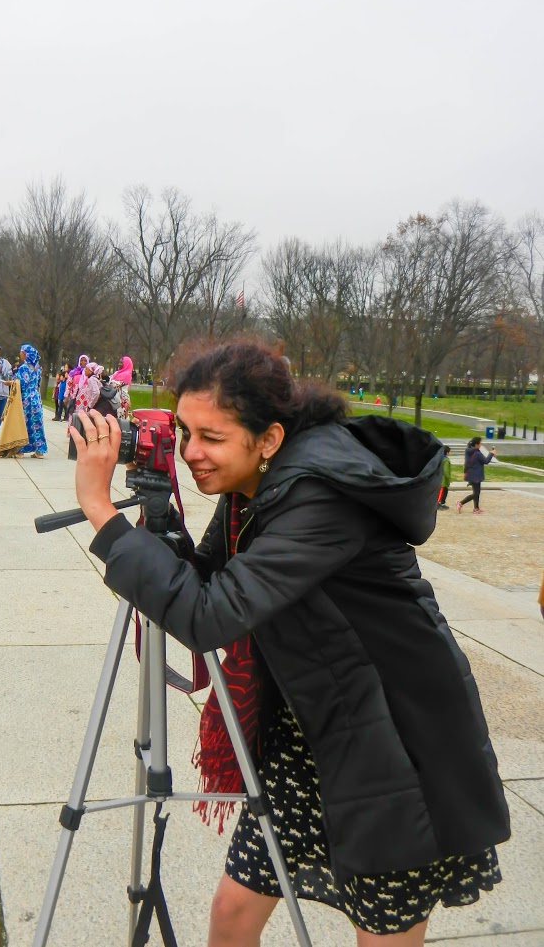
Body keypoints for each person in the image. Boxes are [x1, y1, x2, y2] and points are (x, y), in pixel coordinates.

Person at [71, 340, 510, 947]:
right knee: (232, 914)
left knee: (381, 935)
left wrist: (100, 509)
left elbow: (207, 615)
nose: (192, 452)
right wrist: (156, 525)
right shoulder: (254, 486)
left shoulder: (319, 498)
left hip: (397, 744)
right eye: (183, 432)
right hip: (311, 735)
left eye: (212, 437)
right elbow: (206, 578)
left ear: (269, 438)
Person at [11, 344, 47, 458]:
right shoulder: (37, 368)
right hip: (36, 397)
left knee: (23, 423)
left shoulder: (23, 368)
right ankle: (40, 451)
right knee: (37, 424)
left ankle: (20, 450)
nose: (20, 355)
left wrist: (11, 381)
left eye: (21, 352)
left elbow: (21, 383)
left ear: (26, 354)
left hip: (25, 398)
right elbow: (38, 383)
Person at [456, 437, 496, 515]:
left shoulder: (468, 451)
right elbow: (486, 461)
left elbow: (467, 463)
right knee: (476, 493)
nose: (481, 445)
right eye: (480, 443)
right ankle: (460, 503)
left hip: (471, 474)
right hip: (476, 475)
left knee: (476, 492)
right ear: (477, 444)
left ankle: (476, 508)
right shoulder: (477, 453)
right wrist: (491, 453)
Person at [437, 446, 451, 510]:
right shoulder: (446, 460)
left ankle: (442, 503)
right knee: (442, 492)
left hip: (440, 478)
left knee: (445, 491)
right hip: (443, 479)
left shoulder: (440, 458)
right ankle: (437, 504)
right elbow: (446, 470)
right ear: (447, 452)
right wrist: (449, 478)